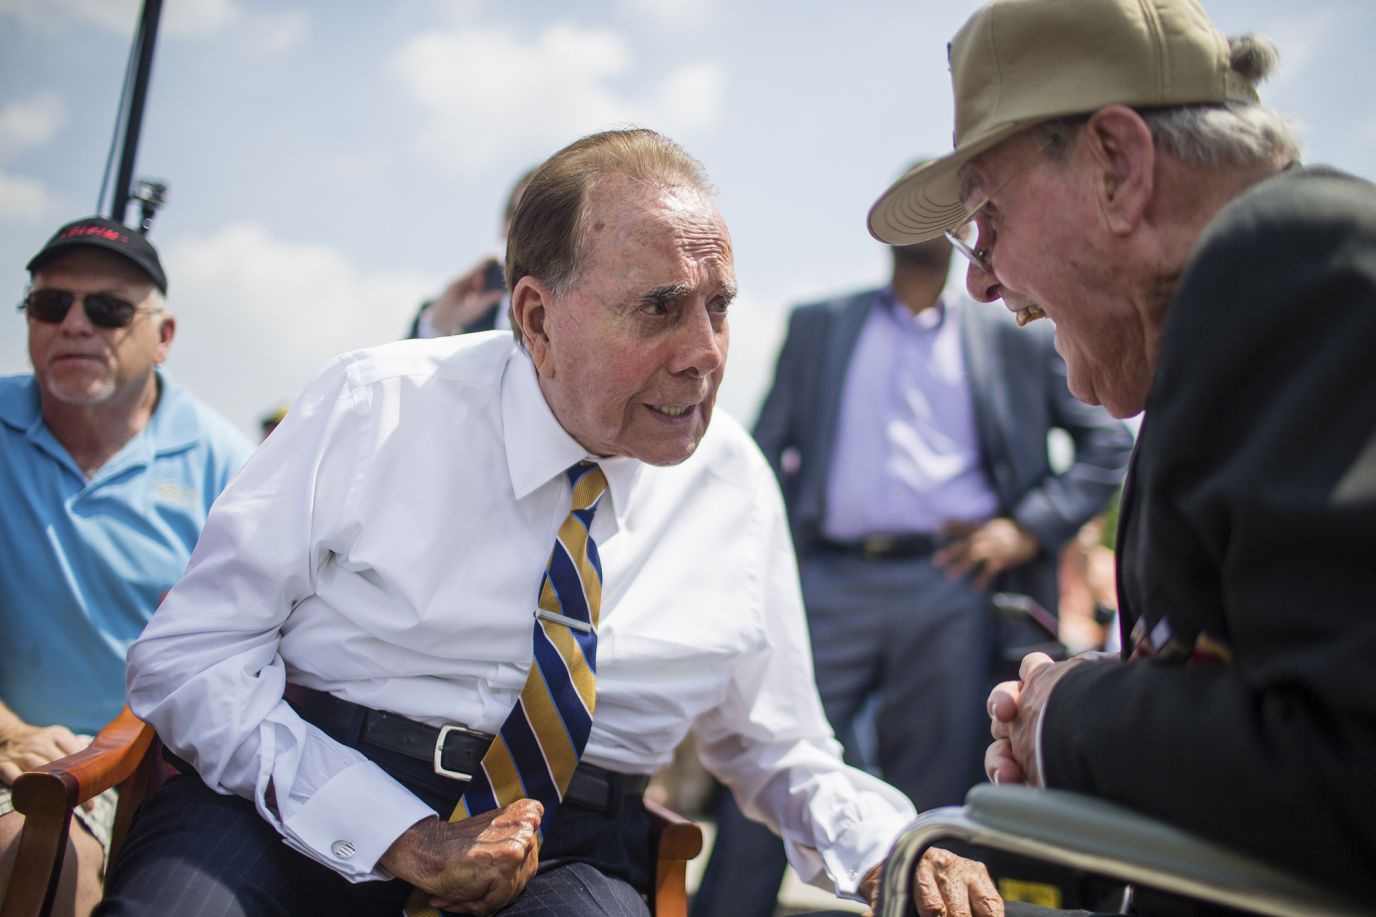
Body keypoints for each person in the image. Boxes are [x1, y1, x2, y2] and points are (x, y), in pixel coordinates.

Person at [97, 129, 1002, 917]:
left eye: (719, 305)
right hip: (295, 808)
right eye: (660, 308)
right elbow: (190, 656)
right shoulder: (375, 404)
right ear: (535, 315)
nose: (705, 355)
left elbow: (781, 749)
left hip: (566, 854)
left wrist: (896, 846)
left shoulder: (735, 486)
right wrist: (391, 829)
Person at [867, 0, 1376, 908]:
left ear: (1117, 166)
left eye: (986, 217)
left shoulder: (1304, 268)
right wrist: (1092, 736)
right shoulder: (1259, 297)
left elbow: (1346, 753)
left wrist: (1072, 713)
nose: (980, 279)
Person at [693, 231, 1132, 917]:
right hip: (828, 582)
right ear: (886, 230)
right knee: (768, 762)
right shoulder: (820, 326)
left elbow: (1107, 441)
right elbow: (761, 451)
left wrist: (1024, 526)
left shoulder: (1011, 338)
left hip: (950, 586)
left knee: (932, 796)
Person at [0, 217, 253, 916]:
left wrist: (104, 765)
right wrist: (11, 731)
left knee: (41, 853)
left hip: (142, 775)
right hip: (9, 744)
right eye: (52, 304)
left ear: (163, 336)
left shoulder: (228, 466)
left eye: (108, 309)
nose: (75, 324)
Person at [404, 166, 536, 339]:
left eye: (539, 217)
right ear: (504, 227)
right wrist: (437, 327)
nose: (528, 228)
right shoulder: (472, 310)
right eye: (519, 214)